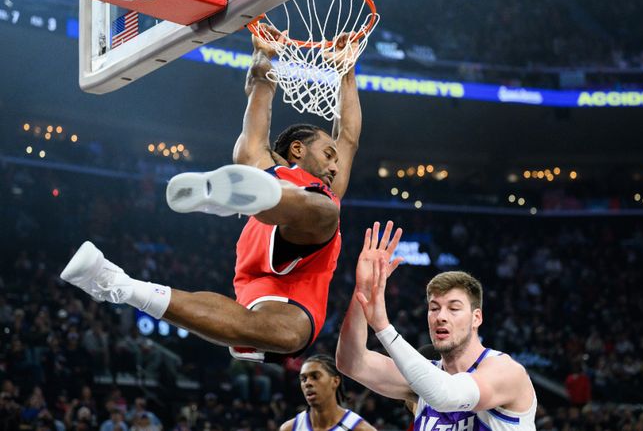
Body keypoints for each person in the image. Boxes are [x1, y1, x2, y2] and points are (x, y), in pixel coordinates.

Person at [60, 25, 362, 362]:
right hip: (275, 238)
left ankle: (120, 285)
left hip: (300, 278)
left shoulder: (312, 179)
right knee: (324, 208)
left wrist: (346, 69)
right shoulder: (273, 165)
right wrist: (263, 56)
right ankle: (252, 196)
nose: (335, 165)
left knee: (289, 335)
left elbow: (349, 137)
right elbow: (260, 88)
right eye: (329, 154)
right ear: (297, 149)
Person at [336, 221, 538, 430]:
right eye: (434, 308)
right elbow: (351, 362)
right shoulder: (426, 379)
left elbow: (445, 395)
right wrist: (363, 290)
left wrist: (384, 328)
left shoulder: (506, 371)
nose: (441, 316)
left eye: (454, 308)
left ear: (476, 318)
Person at [280, 354, 375, 431]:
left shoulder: (360, 428)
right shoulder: (289, 428)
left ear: (335, 381)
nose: (307, 383)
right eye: (303, 379)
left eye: (315, 377)